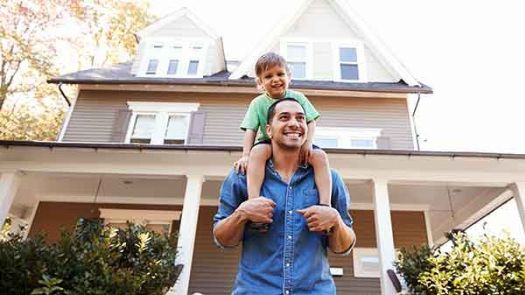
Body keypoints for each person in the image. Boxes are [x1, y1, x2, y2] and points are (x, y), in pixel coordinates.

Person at [213, 99, 356, 294]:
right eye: (284, 117)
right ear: (269, 130)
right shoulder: (241, 177)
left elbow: (344, 246)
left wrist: (336, 221)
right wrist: (242, 214)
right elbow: (223, 239)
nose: (294, 123)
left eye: (300, 118)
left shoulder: (329, 179)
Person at [233, 52, 332, 219]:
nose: (275, 79)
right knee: (258, 153)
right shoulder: (257, 103)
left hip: (297, 141)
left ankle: (325, 204)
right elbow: (251, 130)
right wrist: (245, 155)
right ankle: (254, 202)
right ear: (260, 82)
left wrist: (308, 142)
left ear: (289, 76)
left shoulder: (298, 97)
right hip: (268, 141)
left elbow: (311, 121)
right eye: (268, 76)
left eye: (280, 74)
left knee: (320, 156)